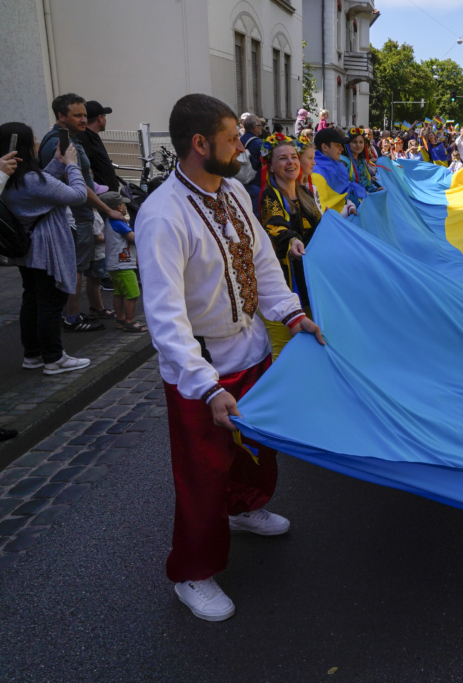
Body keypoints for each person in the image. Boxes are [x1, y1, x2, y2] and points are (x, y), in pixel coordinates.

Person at [136, 94, 325, 622]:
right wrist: (206, 385)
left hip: (252, 349)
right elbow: (165, 316)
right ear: (200, 144)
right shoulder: (162, 216)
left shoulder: (237, 191)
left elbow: (263, 261)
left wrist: (291, 314)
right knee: (202, 470)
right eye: (232, 139)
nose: (243, 147)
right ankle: (192, 572)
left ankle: (244, 510)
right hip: (202, 369)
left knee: (260, 448)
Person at [1, 121, 91, 375]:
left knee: (32, 300)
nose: (38, 142)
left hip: (29, 249)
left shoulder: (12, 178)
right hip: (47, 248)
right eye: (34, 139)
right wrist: (72, 165)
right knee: (51, 302)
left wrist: (57, 163)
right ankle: (54, 358)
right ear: (25, 146)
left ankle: (33, 355)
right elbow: (77, 195)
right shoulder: (31, 179)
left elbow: (42, 186)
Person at [38, 93, 124, 333]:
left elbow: (84, 177)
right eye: (77, 115)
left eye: (85, 114)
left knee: (81, 266)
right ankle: (72, 317)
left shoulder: (71, 139)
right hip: (73, 217)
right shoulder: (60, 143)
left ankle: (80, 312)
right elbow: (75, 185)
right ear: (61, 116)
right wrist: (106, 209)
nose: (84, 120)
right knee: (74, 268)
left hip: (81, 215)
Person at [258, 134, 323, 358]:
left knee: (312, 347)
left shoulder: (305, 193)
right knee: (285, 353)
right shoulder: (270, 196)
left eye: (294, 157)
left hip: (309, 285)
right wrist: (293, 239)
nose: (291, 162)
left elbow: (321, 228)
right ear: (272, 167)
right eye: (283, 158)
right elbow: (274, 227)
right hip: (283, 287)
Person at [99, 192, 146, 333]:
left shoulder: (109, 221)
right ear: (119, 208)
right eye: (125, 204)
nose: (126, 207)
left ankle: (120, 319)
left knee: (119, 293)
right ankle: (129, 321)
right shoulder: (118, 222)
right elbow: (134, 238)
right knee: (133, 293)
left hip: (115, 264)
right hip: (123, 264)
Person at [310, 127, 364, 211]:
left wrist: (349, 207)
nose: (342, 148)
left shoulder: (336, 165)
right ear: (325, 147)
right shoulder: (316, 172)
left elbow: (340, 197)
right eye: (337, 145)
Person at [78, 101, 120, 191]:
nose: (105, 120)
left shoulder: (91, 136)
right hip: (100, 196)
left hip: (106, 194)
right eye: (105, 116)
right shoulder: (85, 138)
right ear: (100, 118)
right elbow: (84, 167)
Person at [239, 113, 265, 212]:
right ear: (254, 128)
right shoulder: (258, 143)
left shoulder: (241, 139)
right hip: (255, 181)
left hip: (241, 179)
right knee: (255, 213)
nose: (262, 128)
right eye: (260, 125)